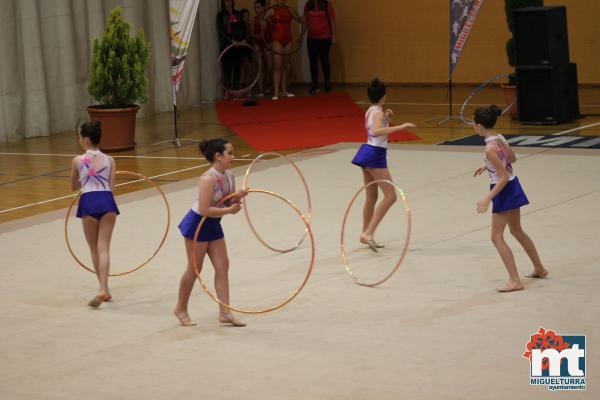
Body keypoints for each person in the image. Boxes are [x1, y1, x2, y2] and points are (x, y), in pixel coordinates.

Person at [472, 105, 548, 292]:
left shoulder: (490, 148)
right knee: (517, 231)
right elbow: (512, 159)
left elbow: (503, 176)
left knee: (496, 237)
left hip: (503, 189)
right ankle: (540, 268)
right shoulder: (499, 138)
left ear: (479, 126)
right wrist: (488, 166)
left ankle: (515, 280)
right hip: (513, 184)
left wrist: (487, 198)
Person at [174, 139, 248, 327]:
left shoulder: (229, 175)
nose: (234, 157)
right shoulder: (207, 179)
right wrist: (228, 211)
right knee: (194, 270)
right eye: (230, 153)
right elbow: (205, 209)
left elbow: (228, 202)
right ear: (218, 156)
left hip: (213, 224)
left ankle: (225, 312)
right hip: (197, 225)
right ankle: (180, 308)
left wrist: (238, 198)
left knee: (223, 266)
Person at [351, 78, 416, 252]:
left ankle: (365, 233)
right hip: (375, 155)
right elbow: (376, 131)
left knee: (371, 198)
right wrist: (400, 127)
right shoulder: (377, 113)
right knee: (391, 196)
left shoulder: (371, 111)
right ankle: (369, 232)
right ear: (384, 96)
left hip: (367, 152)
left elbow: (375, 128)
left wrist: (386, 119)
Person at [70, 122, 119, 308]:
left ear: (86, 140)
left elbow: (74, 186)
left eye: (79, 137)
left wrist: (85, 178)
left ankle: (102, 288)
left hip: (89, 201)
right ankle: (104, 288)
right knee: (104, 247)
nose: (79, 140)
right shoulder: (110, 160)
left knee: (94, 248)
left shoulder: (77, 160)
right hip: (107, 201)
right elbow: (112, 187)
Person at [264, 0, 301, 100]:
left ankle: (284, 91)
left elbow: (299, 19)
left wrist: (306, 15)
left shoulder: (289, 10)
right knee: (277, 66)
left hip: (288, 39)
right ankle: (276, 92)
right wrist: (265, 24)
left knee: (285, 65)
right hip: (277, 39)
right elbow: (262, 19)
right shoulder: (272, 10)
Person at [303, 0, 336, 94]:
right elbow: (305, 22)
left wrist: (334, 37)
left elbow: (332, 21)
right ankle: (314, 84)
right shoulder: (308, 6)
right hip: (311, 38)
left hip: (325, 38)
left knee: (324, 61)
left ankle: (327, 83)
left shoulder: (327, 5)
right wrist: (301, 36)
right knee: (313, 62)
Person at [217, 0, 247, 95]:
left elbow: (244, 28)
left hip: (239, 45)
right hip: (227, 45)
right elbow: (220, 30)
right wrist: (231, 41)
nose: (229, 3)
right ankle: (227, 92)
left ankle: (236, 91)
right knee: (227, 69)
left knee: (238, 68)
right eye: (226, 1)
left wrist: (243, 39)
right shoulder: (220, 15)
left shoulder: (238, 14)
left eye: (230, 0)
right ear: (223, 2)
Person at [253, 0, 272, 96]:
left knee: (269, 67)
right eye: (255, 8)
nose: (256, 10)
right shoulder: (255, 19)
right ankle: (260, 89)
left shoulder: (267, 18)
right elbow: (254, 33)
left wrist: (271, 43)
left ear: (263, 8)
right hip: (258, 44)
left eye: (258, 7)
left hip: (267, 44)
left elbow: (272, 31)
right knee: (260, 67)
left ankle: (272, 86)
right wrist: (256, 37)